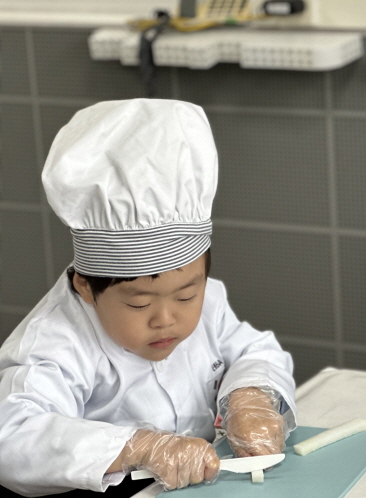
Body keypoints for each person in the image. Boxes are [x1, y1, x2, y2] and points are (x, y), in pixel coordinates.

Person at [0, 99, 297, 496]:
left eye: (186, 295)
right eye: (140, 304)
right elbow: (13, 436)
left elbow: (255, 351)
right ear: (85, 286)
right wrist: (137, 446)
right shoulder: (54, 340)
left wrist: (250, 397)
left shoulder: (208, 303)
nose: (165, 319)